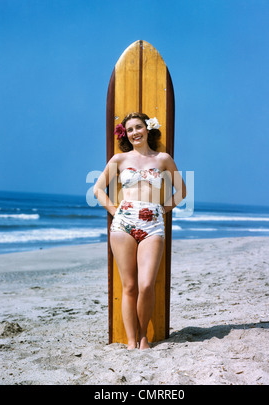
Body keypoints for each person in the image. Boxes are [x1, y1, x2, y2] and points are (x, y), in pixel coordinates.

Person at [94, 112, 186, 350]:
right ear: (126, 134)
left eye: (138, 127)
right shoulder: (119, 159)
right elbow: (98, 190)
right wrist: (117, 212)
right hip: (123, 224)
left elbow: (182, 191)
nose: (135, 132)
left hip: (153, 224)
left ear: (147, 129)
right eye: (130, 130)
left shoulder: (163, 159)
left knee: (146, 284)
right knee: (130, 286)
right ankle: (132, 340)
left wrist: (160, 210)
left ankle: (144, 334)